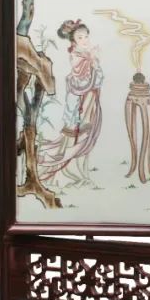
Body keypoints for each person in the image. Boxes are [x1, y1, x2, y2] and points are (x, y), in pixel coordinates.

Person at [37, 19, 104, 187]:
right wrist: (91, 60)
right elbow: (80, 79)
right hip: (78, 99)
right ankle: (68, 171)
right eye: (80, 37)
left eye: (86, 36)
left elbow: (97, 77)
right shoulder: (76, 55)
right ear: (73, 40)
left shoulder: (88, 53)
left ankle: (82, 172)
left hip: (89, 98)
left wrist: (94, 61)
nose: (85, 40)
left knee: (86, 134)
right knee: (75, 133)